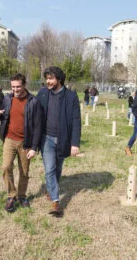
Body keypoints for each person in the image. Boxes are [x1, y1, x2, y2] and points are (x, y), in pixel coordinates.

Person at [36, 66, 81, 217]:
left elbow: (76, 121)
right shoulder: (42, 94)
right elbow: (32, 108)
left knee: (58, 168)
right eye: (47, 78)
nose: (48, 81)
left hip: (63, 139)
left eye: (51, 78)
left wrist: (75, 143)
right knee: (49, 168)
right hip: (46, 138)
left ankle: (51, 187)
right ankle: (55, 201)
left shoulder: (70, 97)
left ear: (59, 79)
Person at [0, 74, 42, 212]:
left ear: (25, 85)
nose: (15, 89)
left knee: (24, 172)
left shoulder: (33, 101)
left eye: (18, 86)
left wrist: (34, 147)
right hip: (9, 139)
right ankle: (11, 196)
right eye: (13, 87)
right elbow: (3, 115)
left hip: (25, 143)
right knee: (6, 167)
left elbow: (38, 126)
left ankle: (21, 196)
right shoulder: (7, 98)